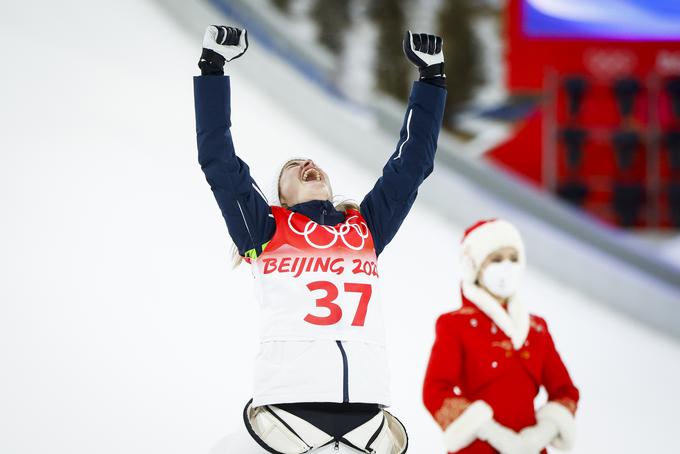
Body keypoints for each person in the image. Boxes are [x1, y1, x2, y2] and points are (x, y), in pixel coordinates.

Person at [194, 25, 447, 453]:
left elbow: (412, 164)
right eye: (294, 167)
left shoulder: (365, 229)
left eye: (312, 162)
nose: (308, 163)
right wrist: (213, 70)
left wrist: (432, 81)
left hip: (367, 415)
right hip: (289, 416)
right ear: (281, 198)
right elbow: (219, 161)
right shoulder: (264, 232)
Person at [422, 219, 579, 454]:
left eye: (513, 258)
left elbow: (565, 391)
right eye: (496, 259)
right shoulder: (454, 325)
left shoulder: (536, 329)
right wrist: (490, 431)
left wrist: (537, 436)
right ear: (475, 268)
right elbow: (434, 391)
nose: (507, 266)